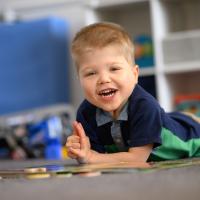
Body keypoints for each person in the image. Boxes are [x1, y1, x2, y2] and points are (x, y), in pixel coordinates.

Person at [66, 22, 200, 164]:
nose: (104, 79)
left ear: (134, 74)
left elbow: (136, 159)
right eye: (91, 73)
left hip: (193, 136)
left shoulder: (145, 106)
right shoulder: (85, 113)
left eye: (114, 69)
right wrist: (81, 151)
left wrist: (91, 157)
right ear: (79, 79)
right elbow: (93, 156)